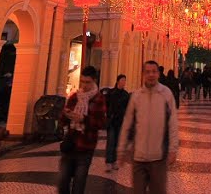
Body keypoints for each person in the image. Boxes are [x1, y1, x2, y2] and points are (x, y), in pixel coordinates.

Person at [119, 60, 179, 194]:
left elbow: (173, 123)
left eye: (153, 72)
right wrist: (121, 149)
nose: (151, 75)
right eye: (147, 72)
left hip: (158, 158)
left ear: (158, 74)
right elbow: (127, 123)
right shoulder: (136, 96)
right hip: (138, 158)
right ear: (143, 74)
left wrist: (173, 149)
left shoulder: (166, 94)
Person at [58, 65, 107, 194]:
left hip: (86, 146)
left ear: (94, 81)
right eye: (83, 81)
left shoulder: (99, 99)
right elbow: (62, 120)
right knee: (62, 181)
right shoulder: (75, 96)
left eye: (88, 82)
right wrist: (66, 114)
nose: (84, 85)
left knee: (79, 184)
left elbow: (101, 123)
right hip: (70, 144)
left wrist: (83, 119)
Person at [105, 74, 130, 172]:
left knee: (117, 142)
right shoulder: (111, 93)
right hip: (111, 121)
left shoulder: (126, 95)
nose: (124, 82)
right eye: (122, 80)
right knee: (110, 141)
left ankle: (114, 161)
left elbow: (128, 108)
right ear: (118, 81)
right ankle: (108, 162)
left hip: (120, 121)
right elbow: (106, 105)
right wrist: (108, 115)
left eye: (125, 80)